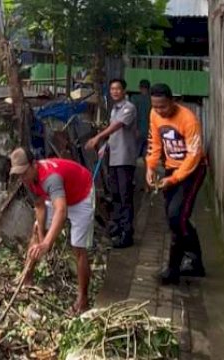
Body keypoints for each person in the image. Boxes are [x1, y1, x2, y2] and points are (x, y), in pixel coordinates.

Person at [9, 148, 94, 313]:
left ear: (34, 165)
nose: (22, 178)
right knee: (35, 231)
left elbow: (61, 211)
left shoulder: (51, 178)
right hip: (55, 197)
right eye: (19, 174)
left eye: (24, 173)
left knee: (78, 247)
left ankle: (83, 300)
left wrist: (47, 243)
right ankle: (26, 278)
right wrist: (41, 236)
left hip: (81, 194)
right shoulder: (27, 180)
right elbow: (40, 206)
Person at [145, 83, 207, 285]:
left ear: (172, 101)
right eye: (155, 107)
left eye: (163, 106)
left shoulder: (188, 119)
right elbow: (154, 144)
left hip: (192, 171)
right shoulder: (154, 115)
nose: (160, 111)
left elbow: (194, 155)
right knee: (176, 218)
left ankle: (173, 269)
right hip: (171, 170)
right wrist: (151, 168)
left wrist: (173, 179)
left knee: (176, 217)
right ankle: (194, 261)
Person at [85, 79, 137, 248]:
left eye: (118, 89)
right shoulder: (114, 109)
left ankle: (127, 233)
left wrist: (98, 138)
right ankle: (116, 228)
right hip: (113, 158)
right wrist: (105, 146)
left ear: (124, 90)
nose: (115, 92)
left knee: (125, 196)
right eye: (112, 89)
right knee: (115, 194)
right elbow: (113, 133)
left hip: (125, 159)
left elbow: (116, 127)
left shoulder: (128, 108)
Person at [131, 79, 151, 159]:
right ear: (149, 88)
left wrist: (135, 129)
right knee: (147, 157)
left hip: (137, 131)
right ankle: (148, 171)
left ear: (139, 87)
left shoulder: (135, 99)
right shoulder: (152, 100)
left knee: (133, 156)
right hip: (150, 133)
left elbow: (133, 115)